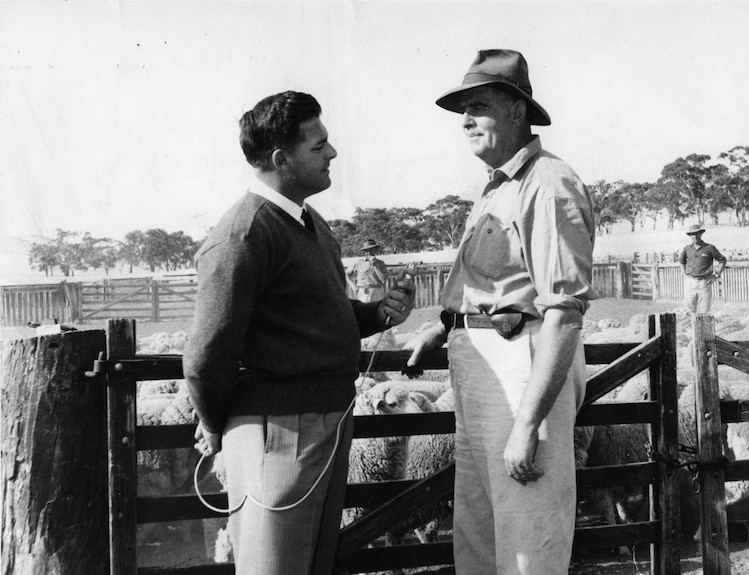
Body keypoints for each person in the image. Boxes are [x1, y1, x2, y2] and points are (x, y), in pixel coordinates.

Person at [183, 90, 415, 575]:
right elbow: (207, 353)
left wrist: (376, 314)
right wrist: (212, 423)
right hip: (277, 431)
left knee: (311, 565)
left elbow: (314, 316)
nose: (332, 153)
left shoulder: (308, 222)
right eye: (319, 145)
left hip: (326, 420)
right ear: (280, 159)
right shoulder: (244, 234)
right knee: (274, 566)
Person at [407, 49, 598, 575]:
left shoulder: (548, 183)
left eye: (479, 106)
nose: (465, 120)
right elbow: (489, 282)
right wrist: (444, 327)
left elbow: (562, 312)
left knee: (527, 537)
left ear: (517, 112)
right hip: (479, 366)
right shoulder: (498, 187)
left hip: (521, 365)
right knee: (479, 532)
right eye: (462, 109)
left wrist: (527, 423)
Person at [679, 224, 726, 314]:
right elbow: (681, 261)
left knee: (705, 312)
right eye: (692, 234)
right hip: (690, 282)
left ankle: (703, 328)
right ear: (690, 236)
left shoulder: (709, 248)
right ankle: (691, 328)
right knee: (688, 312)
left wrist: (717, 275)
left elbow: (722, 260)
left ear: (701, 234)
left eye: (697, 233)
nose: (695, 236)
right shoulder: (687, 248)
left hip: (704, 283)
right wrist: (684, 275)